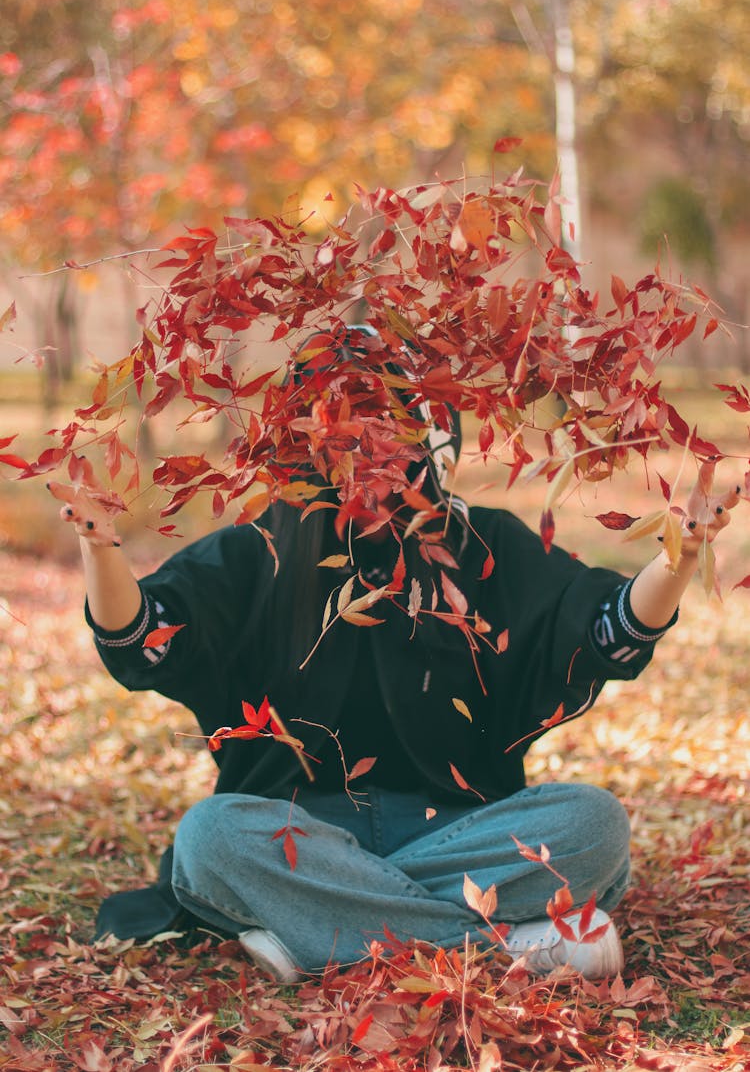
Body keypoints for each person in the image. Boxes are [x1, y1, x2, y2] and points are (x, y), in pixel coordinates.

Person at [53, 350, 738, 984]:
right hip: (300, 841)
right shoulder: (260, 551)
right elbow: (146, 636)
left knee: (595, 824)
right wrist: (101, 553)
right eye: (346, 443)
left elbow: (601, 629)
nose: (370, 469)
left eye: (390, 444)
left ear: (429, 449)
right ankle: (507, 946)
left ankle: (319, 935)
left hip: (460, 833)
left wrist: (676, 559)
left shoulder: (482, 545)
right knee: (210, 837)